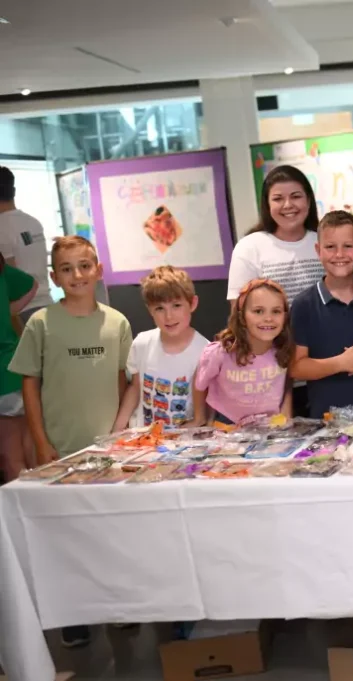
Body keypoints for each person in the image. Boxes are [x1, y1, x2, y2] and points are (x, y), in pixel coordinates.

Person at [8, 235, 131, 649]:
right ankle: (76, 613)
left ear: (97, 268)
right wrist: (39, 441)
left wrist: (120, 437)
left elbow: (122, 380)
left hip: (108, 451)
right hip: (59, 450)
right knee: (66, 536)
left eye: (84, 266)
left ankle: (116, 607)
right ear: (53, 276)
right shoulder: (41, 323)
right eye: (66, 268)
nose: (76, 275)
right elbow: (30, 382)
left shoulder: (117, 322)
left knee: (109, 532)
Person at [289, 211, 353, 419]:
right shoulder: (304, 305)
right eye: (330, 247)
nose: (339, 255)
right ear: (318, 250)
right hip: (327, 423)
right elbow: (296, 368)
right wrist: (342, 363)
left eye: (348, 246)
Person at [112, 266, 209, 431]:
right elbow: (135, 388)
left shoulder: (205, 351)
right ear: (150, 310)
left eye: (176, 305)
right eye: (159, 308)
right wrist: (116, 431)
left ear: (193, 303)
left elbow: (206, 410)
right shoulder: (142, 343)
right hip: (144, 440)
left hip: (183, 443)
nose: (169, 316)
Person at [192, 279, 293, 426]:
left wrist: (285, 417)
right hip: (227, 425)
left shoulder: (283, 349)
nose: (268, 318)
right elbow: (200, 383)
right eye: (258, 311)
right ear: (242, 317)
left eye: (276, 311)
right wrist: (199, 418)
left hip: (270, 427)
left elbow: (287, 384)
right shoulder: (221, 353)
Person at [227, 164, 324, 303]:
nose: (288, 205)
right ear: (267, 205)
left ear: (308, 201)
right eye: (278, 199)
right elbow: (239, 311)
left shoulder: (326, 243)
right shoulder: (249, 247)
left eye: (296, 196)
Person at [0, 254, 38, 482]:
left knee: (11, 456)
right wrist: (8, 310)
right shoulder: (3, 269)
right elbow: (31, 285)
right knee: (27, 446)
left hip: (7, 374)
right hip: (12, 368)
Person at [0, 166, 53, 321]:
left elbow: (11, 282)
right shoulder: (33, 222)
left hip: (23, 312)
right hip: (47, 304)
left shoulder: (1, 228)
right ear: (13, 191)